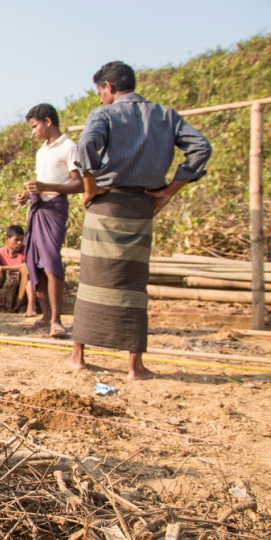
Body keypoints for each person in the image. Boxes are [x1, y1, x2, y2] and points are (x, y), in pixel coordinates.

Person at [68, 61, 211, 380]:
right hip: (141, 206)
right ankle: (135, 366)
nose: (100, 98)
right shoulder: (165, 115)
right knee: (133, 285)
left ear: (108, 87)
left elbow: (86, 147)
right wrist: (170, 190)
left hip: (107, 204)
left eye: (99, 92)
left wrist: (89, 190)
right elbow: (201, 148)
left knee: (93, 281)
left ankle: (78, 357)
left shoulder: (103, 114)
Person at [15, 103, 84, 337]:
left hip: (54, 209)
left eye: (35, 127)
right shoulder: (42, 151)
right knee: (35, 263)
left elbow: (79, 184)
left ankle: (57, 319)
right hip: (38, 207)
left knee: (51, 262)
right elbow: (41, 181)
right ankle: (45, 316)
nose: (33, 132)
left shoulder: (68, 147)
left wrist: (46, 187)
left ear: (47, 121)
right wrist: (29, 193)